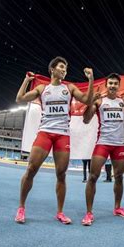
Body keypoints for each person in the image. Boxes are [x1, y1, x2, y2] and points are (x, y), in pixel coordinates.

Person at [14, 56, 94, 224]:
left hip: (62, 134)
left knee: (61, 174)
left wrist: (91, 80)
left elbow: (87, 99)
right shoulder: (43, 89)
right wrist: (26, 80)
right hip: (45, 132)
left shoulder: (70, 88)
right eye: (61, 67)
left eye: (65, 68)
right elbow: (19, 99)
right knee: (31, 169)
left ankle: (60, 212)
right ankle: (21, 208)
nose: (64, 70)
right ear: (52, 70)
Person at [81, 73, 124, 226]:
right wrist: (90, 102)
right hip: (103, 143)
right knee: (93, 177)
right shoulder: (99, 101)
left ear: (119, 86)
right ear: (106, 85)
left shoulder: (123, 101)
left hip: (119, 144)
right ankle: (89, 212)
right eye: (110, 83)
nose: (112, 86)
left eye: (115, 84)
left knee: (119, 176)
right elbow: (86, 119)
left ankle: (117, 208)